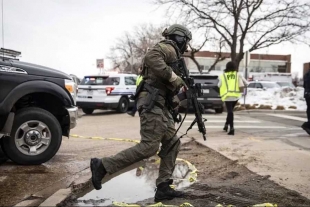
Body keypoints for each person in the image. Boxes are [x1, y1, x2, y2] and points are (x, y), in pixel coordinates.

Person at [90, 24, 192, 202]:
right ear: (180, 38)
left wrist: (178, 98)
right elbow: (151, 57)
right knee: (149, 146)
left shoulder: (174, 55)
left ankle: (163, 187)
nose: (187, 47)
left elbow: (168, 87)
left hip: (161, 105)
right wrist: (174, 78)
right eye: (186, 42)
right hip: (153, 103)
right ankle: (103, 165)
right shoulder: (168, 48)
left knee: (173, 142)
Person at [218, 61, 246, 135]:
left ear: (227, 67)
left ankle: (232, 128)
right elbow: (246, 83)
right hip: (236, 96)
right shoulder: (238, 75)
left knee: (230, 112)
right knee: (230, 112)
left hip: (227, 96)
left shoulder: (223, 76)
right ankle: (226, 125)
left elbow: (219, 85)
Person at [301, 69, 310, 135]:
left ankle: (308, 125)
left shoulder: (307, 74)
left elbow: (304, 85)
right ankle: (307, 125)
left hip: (307, 94)